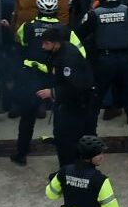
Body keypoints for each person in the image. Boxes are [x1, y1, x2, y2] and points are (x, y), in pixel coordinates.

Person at [77, 0, 128, 152]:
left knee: (94, 104)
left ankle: (90, 145)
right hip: (126, 61)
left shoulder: (94, 14)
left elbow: (78, 35)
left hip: (103, 62)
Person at [13, 0, 85, 165]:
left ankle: (21, 154)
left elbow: (19, 45)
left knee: (27, 117)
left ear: (38, 9)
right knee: (61, 117)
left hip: (32, 77)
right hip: (56, 78)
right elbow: (81, 53)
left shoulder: (27, 27)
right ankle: (67, 157)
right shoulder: (65, 30)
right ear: (56, 10)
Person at [39, 27, 97, 167]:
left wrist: (53, 92)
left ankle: (68, 171)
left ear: (56, 43)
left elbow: (75, 86)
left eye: (46, 43)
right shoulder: (62, 51)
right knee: (64, 135)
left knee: (66, 139)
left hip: (76, 104)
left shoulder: (68, 58)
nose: (43, 47)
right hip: (69, 103)